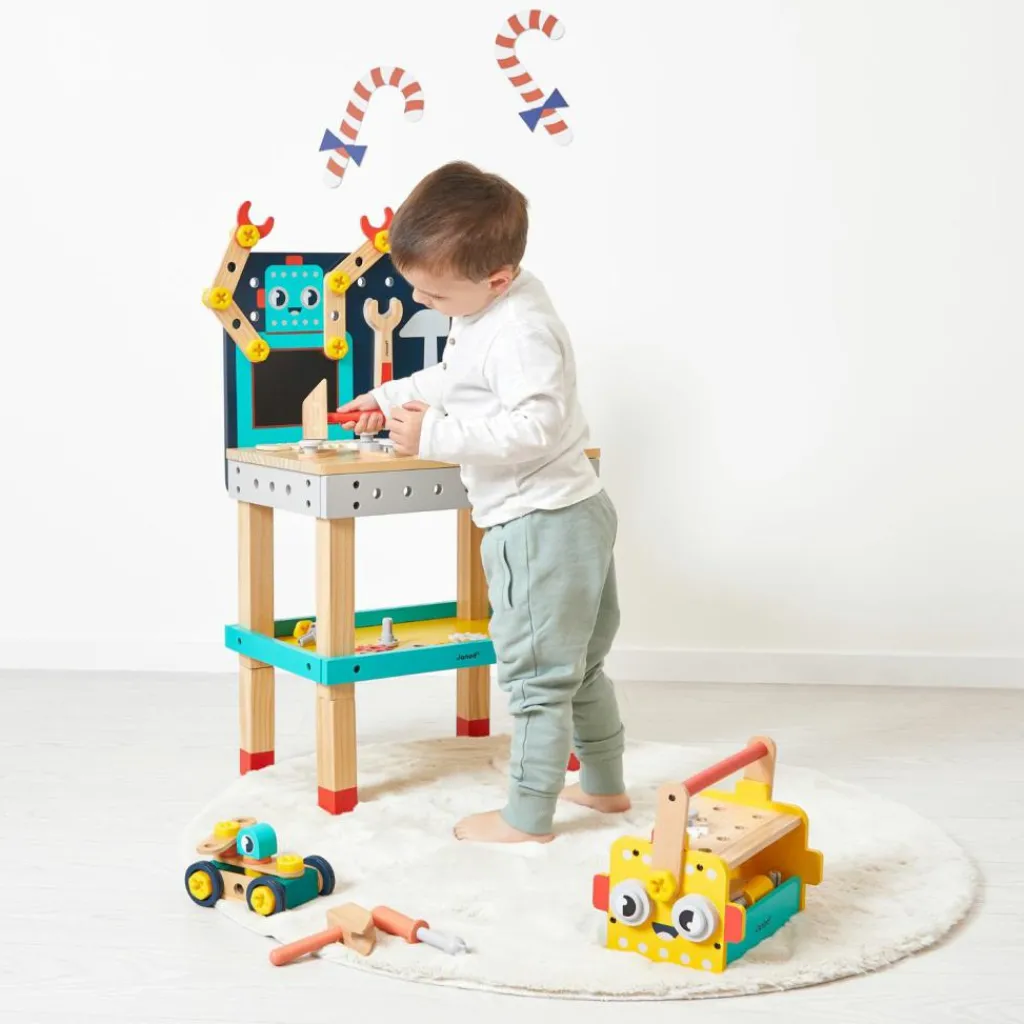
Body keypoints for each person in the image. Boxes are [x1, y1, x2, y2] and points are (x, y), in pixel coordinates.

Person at [338, 162, 629, 843]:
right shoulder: (496, 306)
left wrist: (433, 436)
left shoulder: (520, 331)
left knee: (537, 679)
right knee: (579, 667)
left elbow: (537, 428)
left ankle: (526, 817)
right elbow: (456, 376)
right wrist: (386, 398)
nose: (421, 301)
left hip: (537, 525)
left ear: (496, 279)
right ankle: (604, 786)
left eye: (434, 294)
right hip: (572, 513)